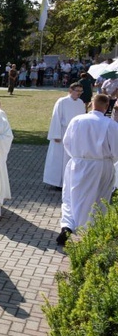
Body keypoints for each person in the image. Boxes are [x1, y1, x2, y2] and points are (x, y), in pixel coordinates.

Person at [58, 94, 118, 246]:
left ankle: (68, 225)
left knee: (71, 196)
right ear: (106, 107)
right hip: (101, 164)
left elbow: (67, 142)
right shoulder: (110, 124)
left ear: (91, 104)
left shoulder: (76, 120)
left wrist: (77, 157)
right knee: (100, 197)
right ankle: (92, 231)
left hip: (78, 163)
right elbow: (116, 149)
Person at [43, 83, 86, 188]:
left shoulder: (81, 103)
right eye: (77, 90)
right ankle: (57, 182)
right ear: (70, 90)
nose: (79, 93)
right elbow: (56, 117)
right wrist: (56, 134)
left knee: (71, 158)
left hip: (75, 134)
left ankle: (69, 181)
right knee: (59, 157)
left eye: (81, 91)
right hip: (62, 132)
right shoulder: (62, 101)